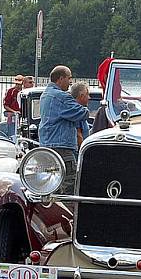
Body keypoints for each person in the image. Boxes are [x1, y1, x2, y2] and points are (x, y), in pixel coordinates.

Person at [39, 65, 88, 195]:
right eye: (69, 78)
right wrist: (84, 107)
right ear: (61, 79)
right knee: (69, 183)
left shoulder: (45, 95)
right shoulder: (61, 97)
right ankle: (68, 213)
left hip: (47, 146)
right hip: (62, 147)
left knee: (50, 184)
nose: (70, 82)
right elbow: (81, 113)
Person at [70, 82, 91, 160]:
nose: (89, 98)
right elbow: (78, 135)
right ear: (81, 96)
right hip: (79, 154)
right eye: (87, 95)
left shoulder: (74, 110)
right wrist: (84, 154)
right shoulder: (77, 112)